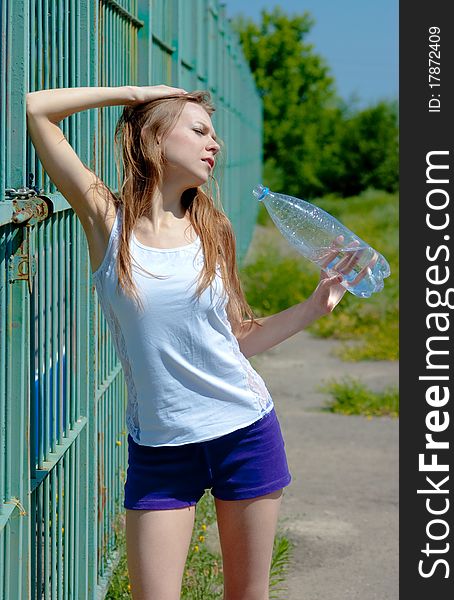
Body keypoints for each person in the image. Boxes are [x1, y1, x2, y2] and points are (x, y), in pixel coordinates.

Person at [26, 84, 369, 600]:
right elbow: (35, 109)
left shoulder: (213, 230)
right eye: (200, 131)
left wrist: (315, 306)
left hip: (244, 432)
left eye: (215, 135)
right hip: (160, 450)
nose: (215, 145)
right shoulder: (107, 220)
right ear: (154, 138)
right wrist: (135, 94)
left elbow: (240, 338)